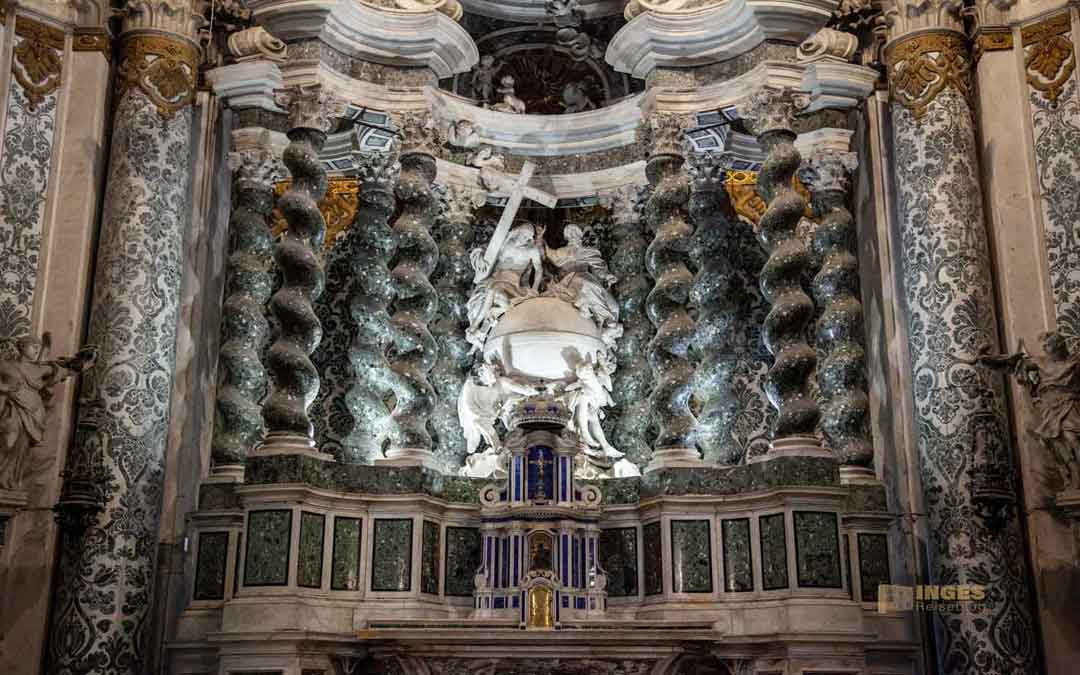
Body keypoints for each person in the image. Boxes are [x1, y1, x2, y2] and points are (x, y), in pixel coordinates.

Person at [973, 331, 1080, 489]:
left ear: (1059, 346)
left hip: (1070, 405)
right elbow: (1011, 362)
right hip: (1050, 409)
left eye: (1048, 345)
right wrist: (985, 359)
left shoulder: (1075, 362)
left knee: (1074, 439)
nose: (1045, 349)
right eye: (1043, 347)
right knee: (1058, 444)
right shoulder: (1039, 362)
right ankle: (1074, 477)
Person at [0, 334, 96, 489]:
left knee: (21, 448)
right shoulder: (6, 365)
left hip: (33, 413)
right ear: (22, 347)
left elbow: (64, 371)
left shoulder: (41, 368)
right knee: (8, 439)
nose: (37, 351)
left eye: (39, 348)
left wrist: (83, 364)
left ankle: (10, 481)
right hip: (13, 410)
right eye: (34, 347)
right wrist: (4, 388)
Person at [466, 223, 544, 351]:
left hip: (512, 285)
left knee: (493, 290)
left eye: (529, 237)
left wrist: (535, 288)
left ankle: (474, 328)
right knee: (485, 296)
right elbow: (488, 250)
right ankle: (478, 333)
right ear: (518, 232)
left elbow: (539, 270)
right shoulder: (506, 243)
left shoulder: (532, 250)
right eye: (524, 234)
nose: (525, 238)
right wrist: (479, 253)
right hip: (495, 279)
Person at [543, 224, 619, 328]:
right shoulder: (561, 252)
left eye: (575, 232)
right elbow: (547, 253)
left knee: (615, 307)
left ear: (580, 235)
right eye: (570, 233)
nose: (573, 235)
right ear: (566, 237)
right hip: (569, 281)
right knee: (586, 284)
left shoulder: (589, 251)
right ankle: (605, 317)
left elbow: (598, 267)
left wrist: (607, 276)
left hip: (586, 277)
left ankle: (606, 332)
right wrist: (540, 240)